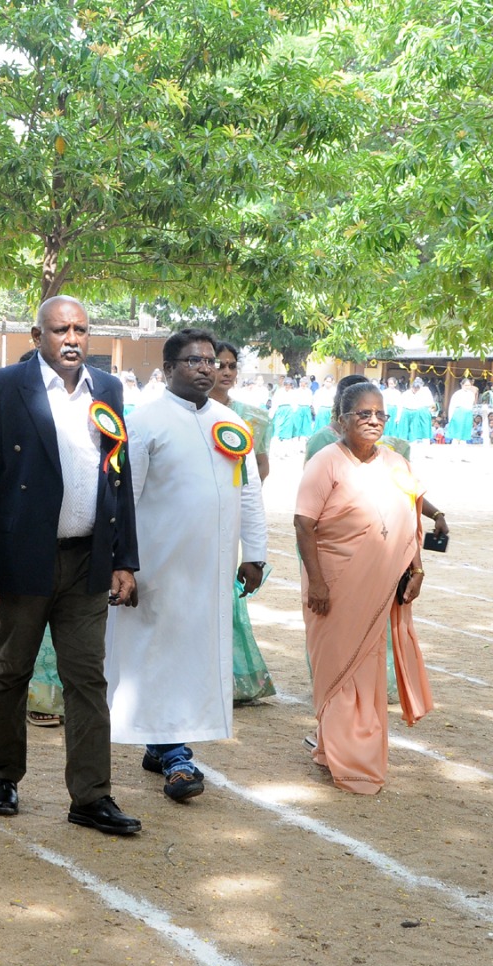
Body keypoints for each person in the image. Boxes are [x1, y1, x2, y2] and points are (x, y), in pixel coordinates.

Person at [0, 295, 142, 835]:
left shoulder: (107, 389)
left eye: (80, 330)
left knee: (87, 678)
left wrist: (124, 559)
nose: (71, 339)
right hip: (23, 558)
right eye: (60, 329)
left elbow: (118, 476)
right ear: (37, 334)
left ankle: (91, 796)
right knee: (11, 669)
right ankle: (2, 774)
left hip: (88, 559)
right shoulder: (3, 387)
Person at [107, 330, 267, 801]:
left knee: (192, 660)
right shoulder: (144, 422)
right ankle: (176, 757)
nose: (205, 368)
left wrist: (254, 553)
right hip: (158, 568)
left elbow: (249, 491)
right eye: (193, 361)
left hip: (210, 572)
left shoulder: (229, 422)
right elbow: (124, 500)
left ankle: (162, 747)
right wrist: (123, 564)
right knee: (159, 659)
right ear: (168, 369)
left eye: (211, 361)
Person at [294, 381, 434, 794]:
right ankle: (350, 760)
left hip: (380, 585)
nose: (373, 421)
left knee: (367, 667)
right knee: (338, 668)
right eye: (363, 414)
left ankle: (343, 751)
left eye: (379, 414)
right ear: (342, 420)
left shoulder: (395, 463)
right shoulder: (325, 462)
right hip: (334, 583)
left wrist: (417, 569)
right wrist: (317, 582)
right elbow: (303, 523)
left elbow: (411, 518)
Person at [210, 341, 276, 703]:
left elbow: (261, 465)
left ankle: (232, 678)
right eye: (218, 364)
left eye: (231, 365)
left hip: (232, 516)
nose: (225, 371)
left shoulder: (253, 417)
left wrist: (241, 502)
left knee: (228, 594)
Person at [446, 378, 477, 443]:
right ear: (462, 385)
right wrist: (450, 417)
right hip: (459, 414)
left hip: (468, 414)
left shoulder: (471, 394)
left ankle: (463, 443)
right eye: (466, 385)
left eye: (469, 385)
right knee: (457, 431)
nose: (467, 387)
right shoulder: (457, 393)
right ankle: (455, 443)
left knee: (466, 430)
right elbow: (452, 406)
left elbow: (472, 405)